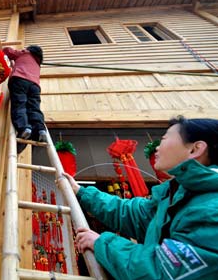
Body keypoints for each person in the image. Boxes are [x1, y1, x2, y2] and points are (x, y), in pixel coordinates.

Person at [64, 116, 218, 279]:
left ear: (195, 149)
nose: (157, 148)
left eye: (164, 139)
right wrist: (81, 192)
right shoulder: (176, 191)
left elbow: (162, 272)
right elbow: (135, 214)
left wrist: (103, 244)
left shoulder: (211, 210)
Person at [3, 45, 47, 143]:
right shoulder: (37, 63)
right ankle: (40, 130)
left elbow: (7, 51)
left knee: (20, 104)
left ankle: (24, 127)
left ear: (29, 49)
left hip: (20, 80)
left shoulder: (25, 53)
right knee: (34, 107)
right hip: (35, 85)